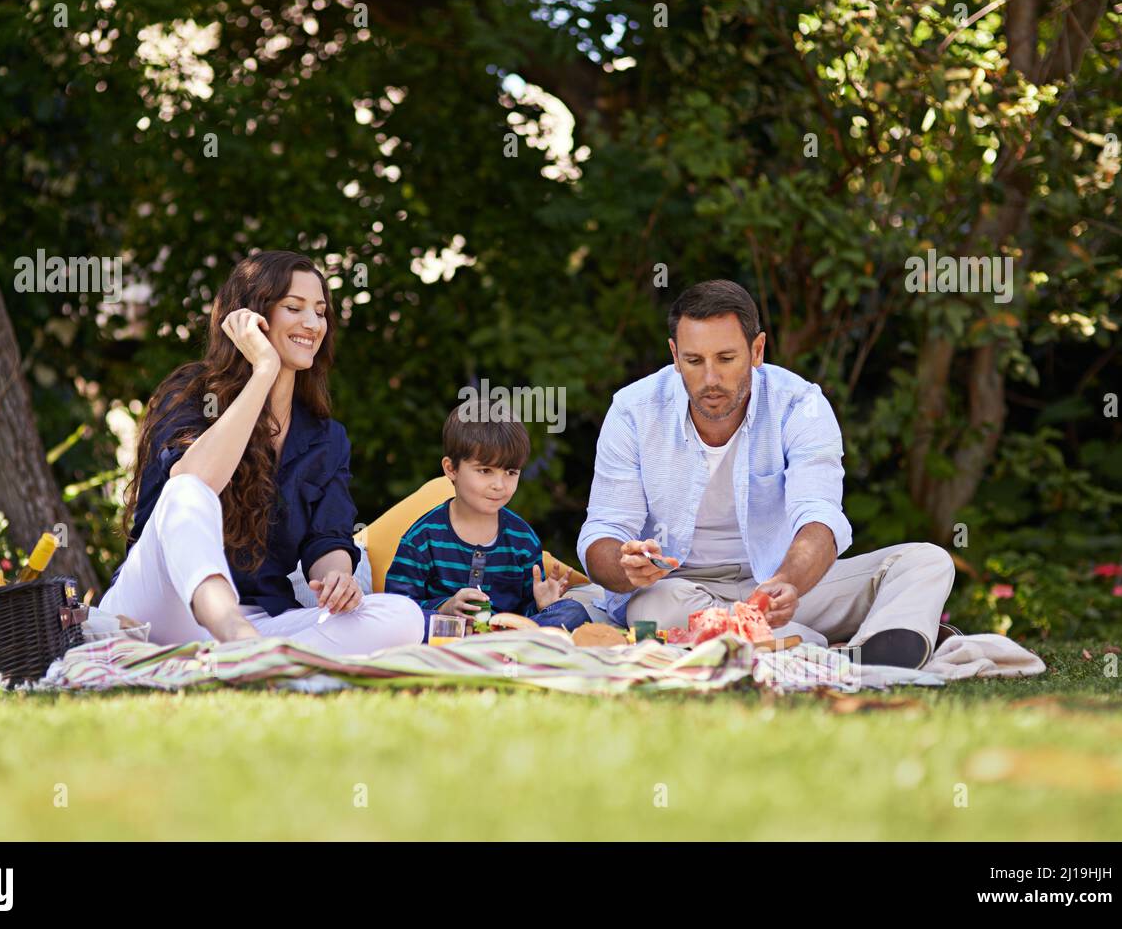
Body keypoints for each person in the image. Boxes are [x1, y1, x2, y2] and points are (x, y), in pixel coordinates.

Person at [576, 279, 957, 669]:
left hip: (780, 589)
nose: (710, 379)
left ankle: (840, 646)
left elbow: (819, 518)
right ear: (674, 355)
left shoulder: (799, 404)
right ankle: (826, 646)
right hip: (679, 590)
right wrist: (625, 567)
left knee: (926, 560)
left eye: (726, 359)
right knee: (654, 609)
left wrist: (788, 582)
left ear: (757, 350)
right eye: (694, 361)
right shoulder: (633, 410)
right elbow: (603, 531)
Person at [98, 251, 423, 653]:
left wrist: (339, 578)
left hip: (261, 619)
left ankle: (251, 661)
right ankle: (246, 645)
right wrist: (264, 370)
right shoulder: (191, 395)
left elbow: (327, 539)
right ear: (253, 316)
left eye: (320, 311)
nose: (312, 323)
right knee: (186, 490)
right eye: (294, 307)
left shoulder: (325, 437)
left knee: (402, 616)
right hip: (161, 608)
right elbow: (196, 481)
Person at [384, 404, 591, 638]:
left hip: (505, 636)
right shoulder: (423, 537)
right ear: (451, 469)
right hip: (449, 632)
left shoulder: (522, 539)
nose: (499, 485)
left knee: (572, 612)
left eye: (511, 473)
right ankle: (499, 649)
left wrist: (542, 605)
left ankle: (500, 647)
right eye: (485, 471)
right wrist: (446, 606)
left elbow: (524, 615)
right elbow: (397, 608)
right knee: (400, 621)